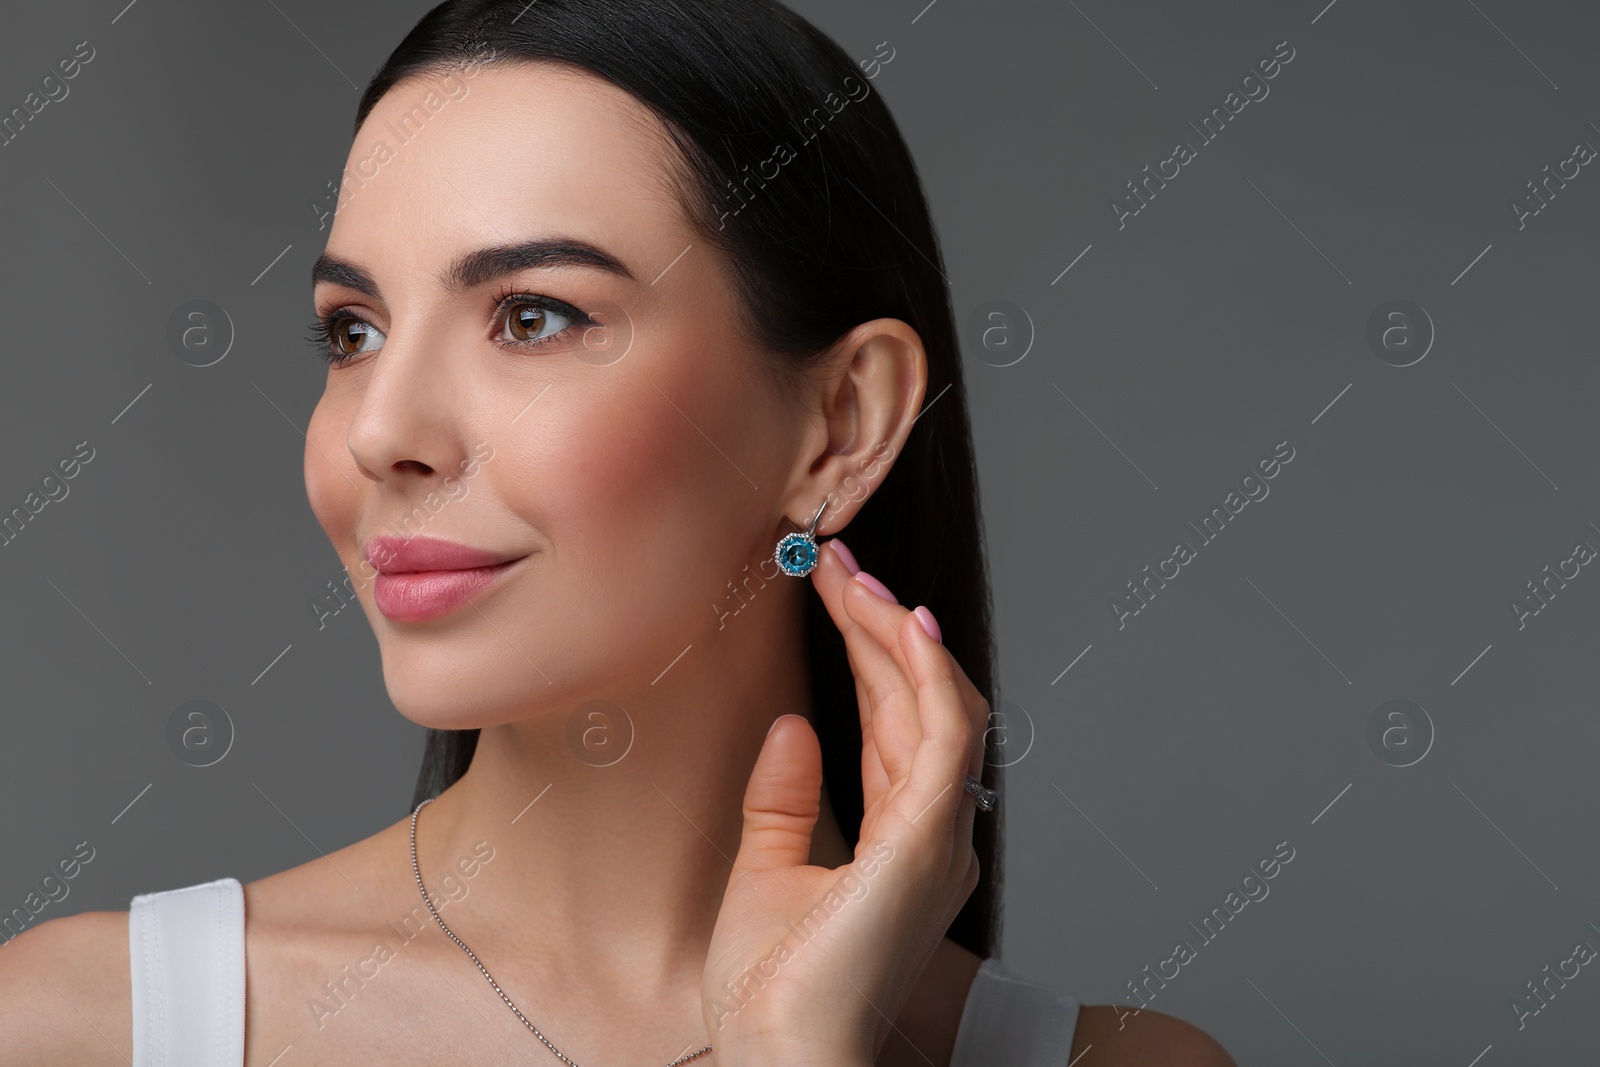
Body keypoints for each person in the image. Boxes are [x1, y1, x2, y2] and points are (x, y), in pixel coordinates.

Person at [0, 1, 1235, 1063]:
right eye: (352, 329)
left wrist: (792, 1046)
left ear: (839, 423)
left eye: (531, 316)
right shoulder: (76, 1029)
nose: (382, 430)